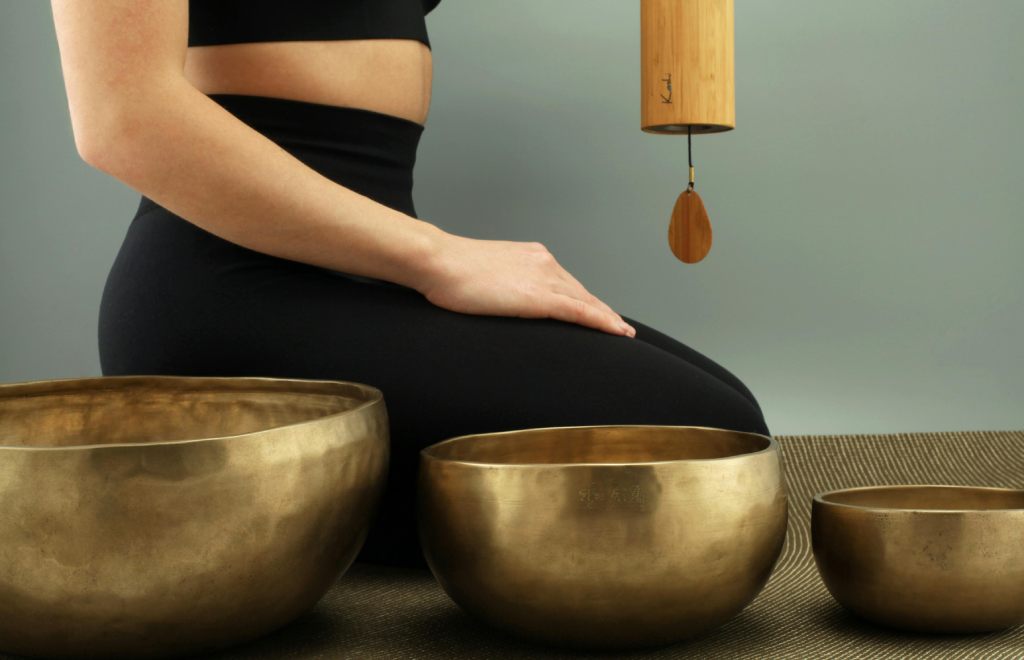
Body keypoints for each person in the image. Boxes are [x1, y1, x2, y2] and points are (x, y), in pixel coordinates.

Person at [50, 0, 770, 569]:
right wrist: (438, 258)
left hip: (367, 278)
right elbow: (124, 116)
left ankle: (268, 520)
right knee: (702, 442)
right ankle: (219, 513)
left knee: (725, 427)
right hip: (234, 289)